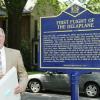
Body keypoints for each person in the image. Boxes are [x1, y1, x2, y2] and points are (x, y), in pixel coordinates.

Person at [0, 27, 28, 94]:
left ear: (4, 38)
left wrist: (21, 86)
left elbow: (23, 74)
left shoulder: (15, 54)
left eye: (0, 36)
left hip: (10, 94)